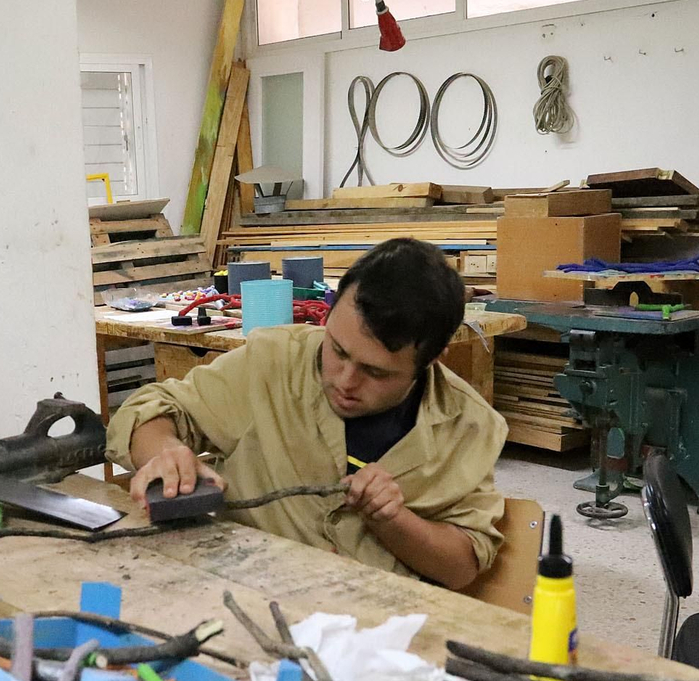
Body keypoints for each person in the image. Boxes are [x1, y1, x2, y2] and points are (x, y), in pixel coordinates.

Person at [105, 238, 506, 591]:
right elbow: (149, 409)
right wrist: (164, 451)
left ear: (432, 359)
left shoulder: (469, 424)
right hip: (244, 592)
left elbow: (462, 567)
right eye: (338, 350)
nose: (345, 381)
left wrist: (393, 520)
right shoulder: (271, 363)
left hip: (372, 627)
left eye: (376, 372)